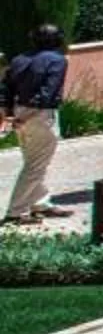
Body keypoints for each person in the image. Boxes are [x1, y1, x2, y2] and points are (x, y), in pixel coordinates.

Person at [4, 23, 72, 224]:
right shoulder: (57, 60)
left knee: (34, 160)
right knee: (35, 165)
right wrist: (31, 114)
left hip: (19, 113)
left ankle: (39, 203)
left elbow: (5, 88)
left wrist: (10, 114)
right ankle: (15, 212)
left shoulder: (19, 59)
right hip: (40, 116)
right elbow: (48, 93)